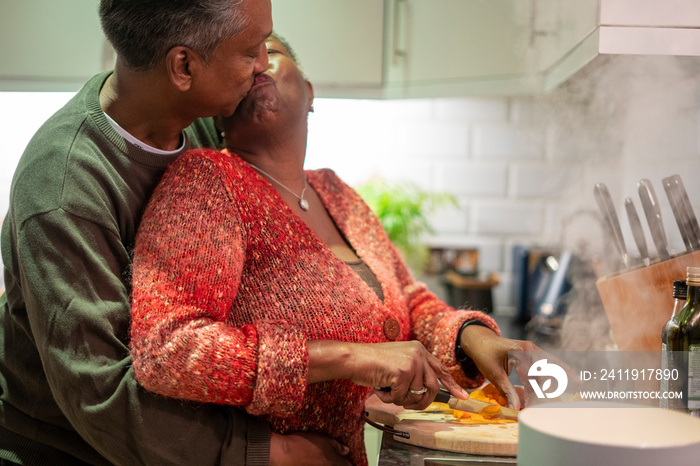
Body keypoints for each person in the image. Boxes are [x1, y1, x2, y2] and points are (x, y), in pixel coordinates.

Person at [129, 33, 540, 466]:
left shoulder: (336, 191)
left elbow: (409, 302)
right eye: (243, 60)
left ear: (309, 92)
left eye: (269, 54)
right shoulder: (206, 182)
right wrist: (350, 357)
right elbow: (167, 350)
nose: (255, 67)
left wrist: (474, 339)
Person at [0, 1, 279, 464]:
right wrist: (264, 452)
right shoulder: (66, 185)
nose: (264, 65)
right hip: (66, 451)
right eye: (251, 52)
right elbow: (101, 393)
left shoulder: (204, 124)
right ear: (183, 66)